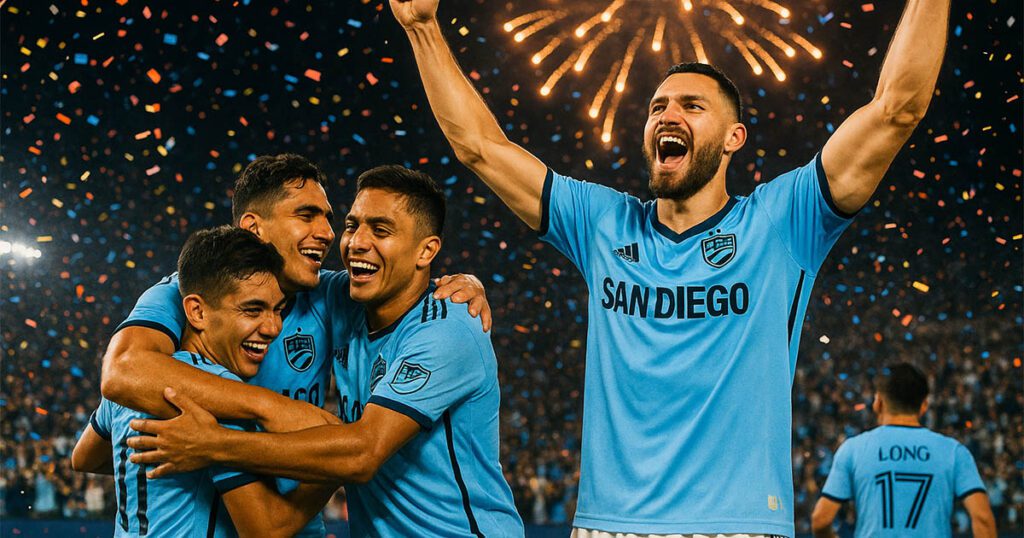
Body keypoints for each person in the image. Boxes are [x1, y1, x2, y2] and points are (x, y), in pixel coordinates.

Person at [389, 0, 950, 535]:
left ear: (735, 139)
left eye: (691, 106)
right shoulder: (604, 223)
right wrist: (421, 27)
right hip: (609, 525)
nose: (667, 115)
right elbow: (479, 147)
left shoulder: (782, 221)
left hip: (740, 525)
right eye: (658, 107)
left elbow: (897, 108)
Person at [97, 154, 492, 536]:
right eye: (307, 216)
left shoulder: (333, 296)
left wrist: (464, 283)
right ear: (254, 227)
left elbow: (403, 292)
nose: (331, 235)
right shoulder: (189, 292)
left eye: (330, 220)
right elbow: (122, 372)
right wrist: (269, 413)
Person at [73, 226, 339, 537]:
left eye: (278, 310)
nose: (273, 328)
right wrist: (331, 470)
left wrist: (172, 471)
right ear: (197, 312)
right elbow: (266, 529)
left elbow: (84, 457)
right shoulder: (217, 396)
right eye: (252, 310)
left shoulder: (135, 387)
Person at [810, 363, 997, 538]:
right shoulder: (953, 451)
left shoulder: (853, 449)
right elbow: (983, 519)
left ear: (878, 403)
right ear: (924, 406)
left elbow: (821, 520)